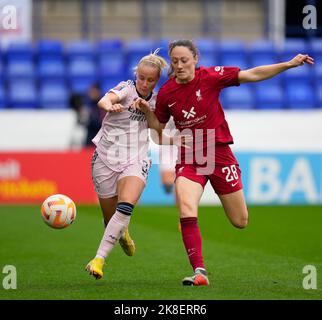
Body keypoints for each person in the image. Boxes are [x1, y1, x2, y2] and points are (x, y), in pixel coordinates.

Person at [134, 39, 314, 286]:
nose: (179, 65)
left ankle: (200, 255)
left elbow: (252, 74)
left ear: (195, 59)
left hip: (219, 154)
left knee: (240, 221)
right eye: (175, 61)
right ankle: (199, 271)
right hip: (190, 156)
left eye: (184, 60)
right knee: (186, 208)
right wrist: (151, 116)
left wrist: (289, 64)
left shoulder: (211, 77)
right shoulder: (166, 93)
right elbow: (157, 132)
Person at [85, 49, 191, 280]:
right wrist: (108, 106)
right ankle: (121, 233)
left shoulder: (157, 100)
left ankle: (98, 259)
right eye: (141, 77)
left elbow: (159, 135)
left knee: (125, 207)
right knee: (110, 218)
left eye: (150, 79)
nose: (144, 83)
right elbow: (105, 99)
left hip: (136, 159)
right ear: (136, 74)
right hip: (105, 157)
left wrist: (176, 139)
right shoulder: (126, 89)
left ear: (156, 80)